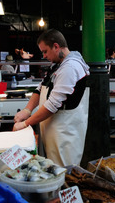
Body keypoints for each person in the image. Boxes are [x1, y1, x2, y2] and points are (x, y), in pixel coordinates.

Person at [13, 29, 90, 167]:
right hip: (54, 130)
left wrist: (25, 123)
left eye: (45, 51)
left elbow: (52, 105)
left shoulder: (70, 67)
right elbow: (41, 87)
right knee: (53, 170)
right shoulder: (58, 65)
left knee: (64, 173)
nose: (44, 56)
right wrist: (27, 110)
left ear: (56, 46)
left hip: (65, 133)